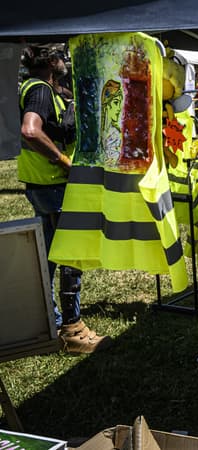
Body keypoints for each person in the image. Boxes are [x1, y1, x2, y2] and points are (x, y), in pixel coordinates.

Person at [18, 46, 111, 353]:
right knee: (70, 257)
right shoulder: (40, 91)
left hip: (43, 185)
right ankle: (71, 329)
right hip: (53, 185)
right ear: (49, 61)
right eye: (60, 54)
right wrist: (62, 160)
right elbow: (30, 131)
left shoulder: (41, 88)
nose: (65, 59)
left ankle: (44, 324)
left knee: (47, 257)